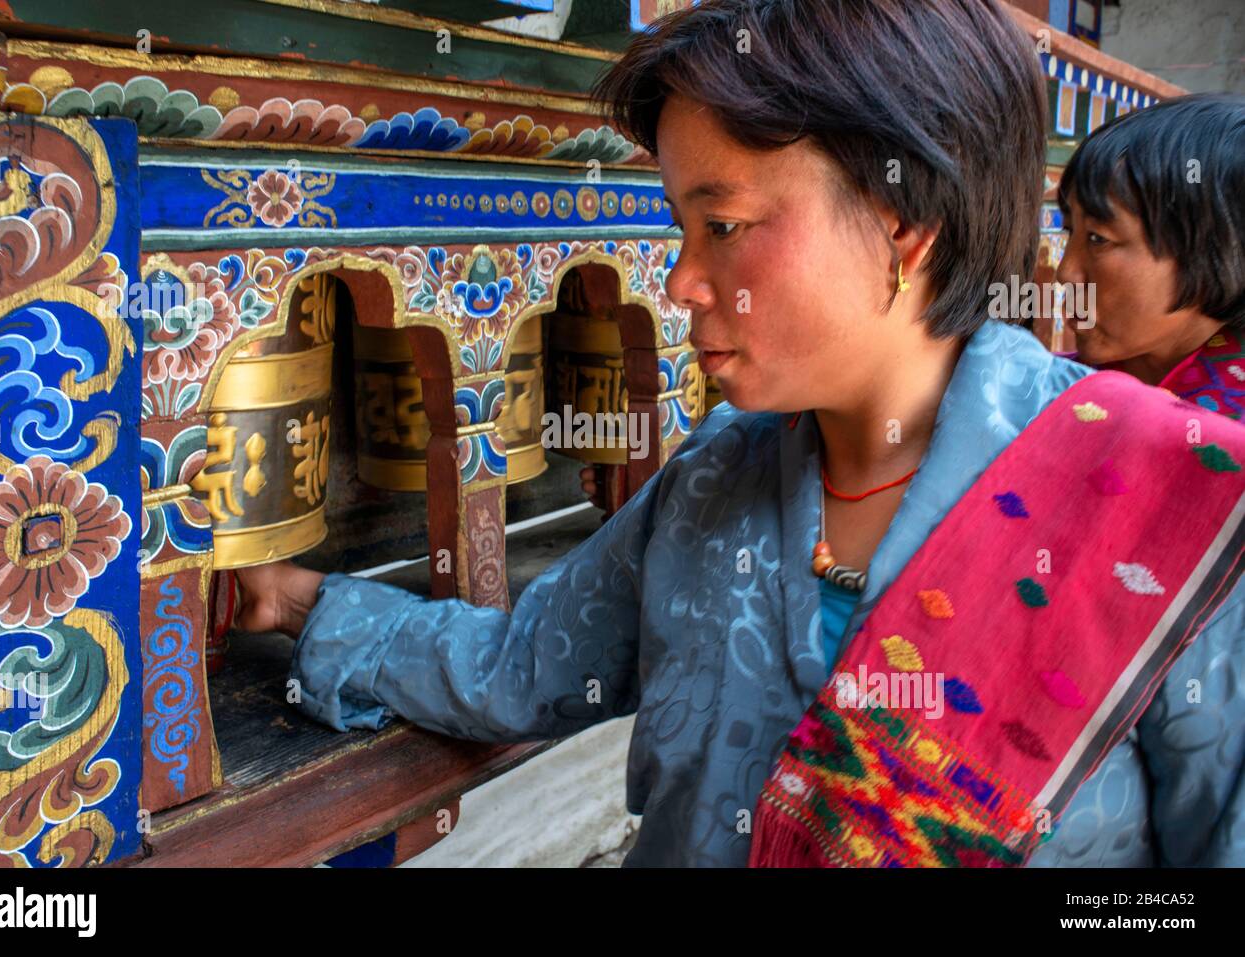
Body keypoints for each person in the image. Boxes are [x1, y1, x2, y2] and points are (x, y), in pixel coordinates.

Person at [235, 0, 1245, 867]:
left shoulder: (1177, 505)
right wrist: (311, 604)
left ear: (902, 221)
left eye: (721, 225)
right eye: (679, 229)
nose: (678, 280)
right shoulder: (715, 478)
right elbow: (522, 669)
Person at [1056, 93, 1245, 419]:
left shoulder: (1233, 442)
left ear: (1214, 255)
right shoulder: (1050, 391)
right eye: (1070, 231)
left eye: (1098, 239)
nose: (1066, 272)